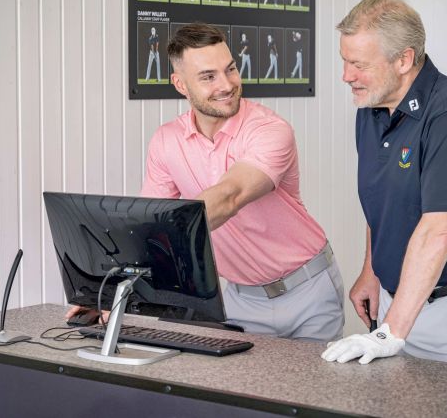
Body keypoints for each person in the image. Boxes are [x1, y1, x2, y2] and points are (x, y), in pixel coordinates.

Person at [321, 0, 447, 368]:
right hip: (397, 303)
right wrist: (372, 272)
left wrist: (390, 332)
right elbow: (383, 202)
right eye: (344, 61)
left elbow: (438, 231)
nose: (346, 76)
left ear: (404, 59)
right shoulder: (371, 107)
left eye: (358, 64)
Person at [140, 23, 345, 341]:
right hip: (241, 298)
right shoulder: (166, 141)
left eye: (230, 69)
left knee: (312, 391)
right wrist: (113, 294)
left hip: (308, 289)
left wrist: (168, 233)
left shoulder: (270, 130)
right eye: (208, 76)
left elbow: (230, 196)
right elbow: (150, 223)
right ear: (180, 84)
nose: (227, 84)